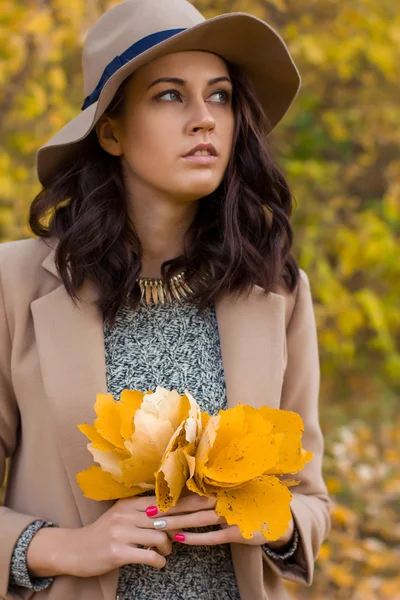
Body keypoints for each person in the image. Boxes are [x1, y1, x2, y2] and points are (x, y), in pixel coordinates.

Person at [0, 0, 333, 599]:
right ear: (111, 131)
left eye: (221, 96)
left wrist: (267, 517)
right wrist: (60, 547)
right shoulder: (15, 282)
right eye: (171, 95)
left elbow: (309, 501)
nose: (205, 119)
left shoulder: (276, 288)